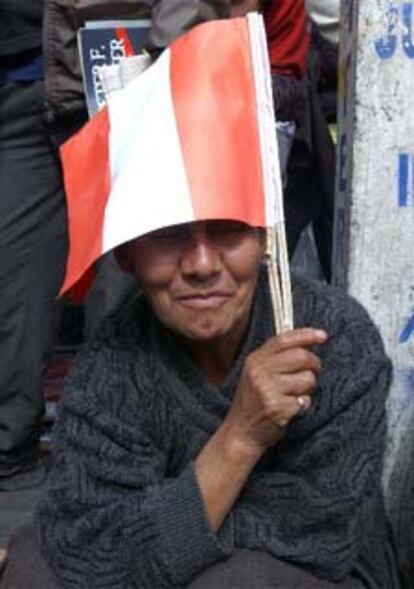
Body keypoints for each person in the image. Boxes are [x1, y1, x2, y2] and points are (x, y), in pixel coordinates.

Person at [2, 214, 400, 587]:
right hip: (169, 560)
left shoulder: (336, 337)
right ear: (126, 253)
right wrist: (241, 436)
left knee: (232, 582)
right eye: (168, 235)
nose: (202, 265)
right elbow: (92, 541)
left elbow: (320, 532)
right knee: (32, 563)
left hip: (317, 572)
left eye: (228, 229)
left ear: (264, 237)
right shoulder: (111, 365)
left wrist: (162, 532)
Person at [0, 0, 231, 491]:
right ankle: (16, 451)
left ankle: (132, 455)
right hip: (22, 82)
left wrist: (174, 55)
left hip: (129, 62)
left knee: (134, 286)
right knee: (14, 288)